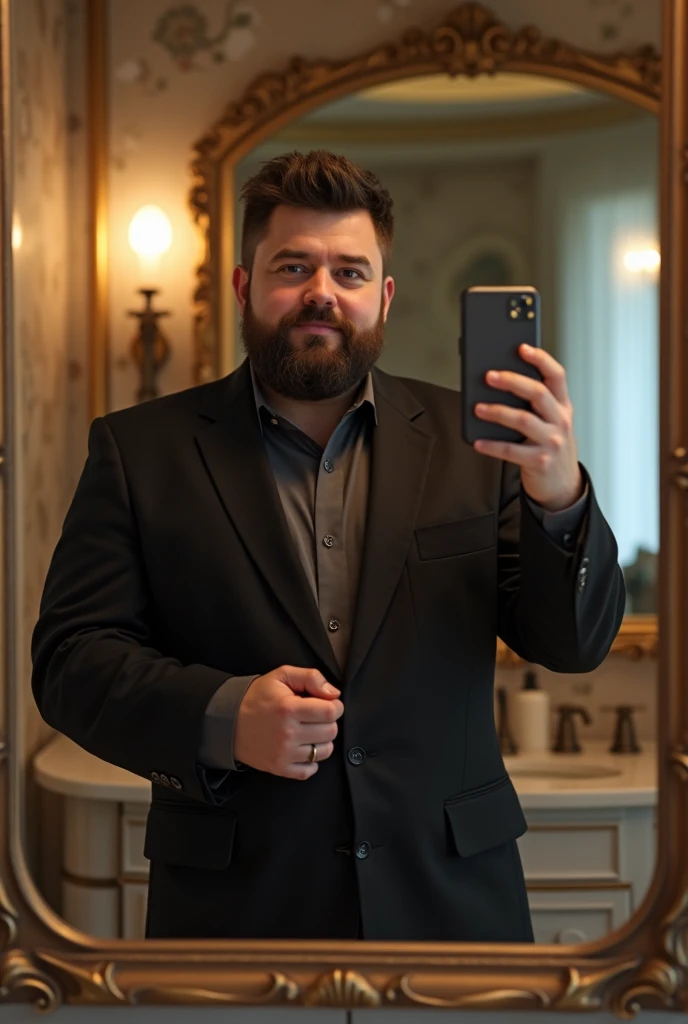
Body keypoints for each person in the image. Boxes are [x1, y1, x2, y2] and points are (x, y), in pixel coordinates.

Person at [32, 150, 625, 942]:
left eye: (349, 272)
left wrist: (559, 492)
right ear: (246, 287)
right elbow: (70, 661)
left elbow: (575, 645)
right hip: (238, 913)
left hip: (452, 909)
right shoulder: (140, 451)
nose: (321, 292)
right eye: (293, 266)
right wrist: (221, 715)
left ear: (382, 298)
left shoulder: (478, 449)